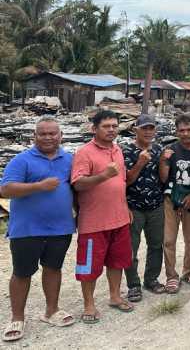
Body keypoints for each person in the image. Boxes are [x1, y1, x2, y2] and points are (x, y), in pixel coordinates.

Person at [1, 116, 76, 342]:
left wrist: (80, 212)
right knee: (22, 272)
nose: (47, 137)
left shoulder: (69, 160)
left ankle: (51, 311)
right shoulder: (21, 160)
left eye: (52, 133)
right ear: (34, 136)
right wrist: (40, 186)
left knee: (53, 268)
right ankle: (17, 318)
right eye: (42, 133)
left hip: (60, 227)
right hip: (27, 228)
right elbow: (6, 190)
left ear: (60, 136)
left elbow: (76, 189)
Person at [71, 110, 134, 323]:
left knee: (117, 261)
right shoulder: (84, 153)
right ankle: (89, 304)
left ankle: (115, 296)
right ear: (94, 128)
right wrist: (104, 175)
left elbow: (121, 183)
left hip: (119, 218)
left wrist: (126, 207)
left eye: (115, 126)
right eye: (106, 126)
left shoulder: (117, 150)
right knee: (89, 266)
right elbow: (78, 184)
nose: (111, 130)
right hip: (94, 222)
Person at [123, 114, 165, 303]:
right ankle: (133, 285)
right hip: (134, 207)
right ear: (135, 131)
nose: (148, 132)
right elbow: (125, 181)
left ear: (155, 130)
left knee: (156, 245)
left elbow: (162, 178)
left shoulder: (157, 149)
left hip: (156, 206)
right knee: (131, 248)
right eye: (144, 128)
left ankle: (151, 279)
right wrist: (140, 163)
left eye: (151, 128)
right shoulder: (126, 152)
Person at [159, 113, 190, 294]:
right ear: (176, 131)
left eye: (189, 130)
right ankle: (171, 276)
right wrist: (162, 160)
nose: (185, 134)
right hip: (171, 199)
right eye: (182, 130)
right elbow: (163, 177)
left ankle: (188, 271)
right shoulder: (170, 149)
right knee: (168, 239)